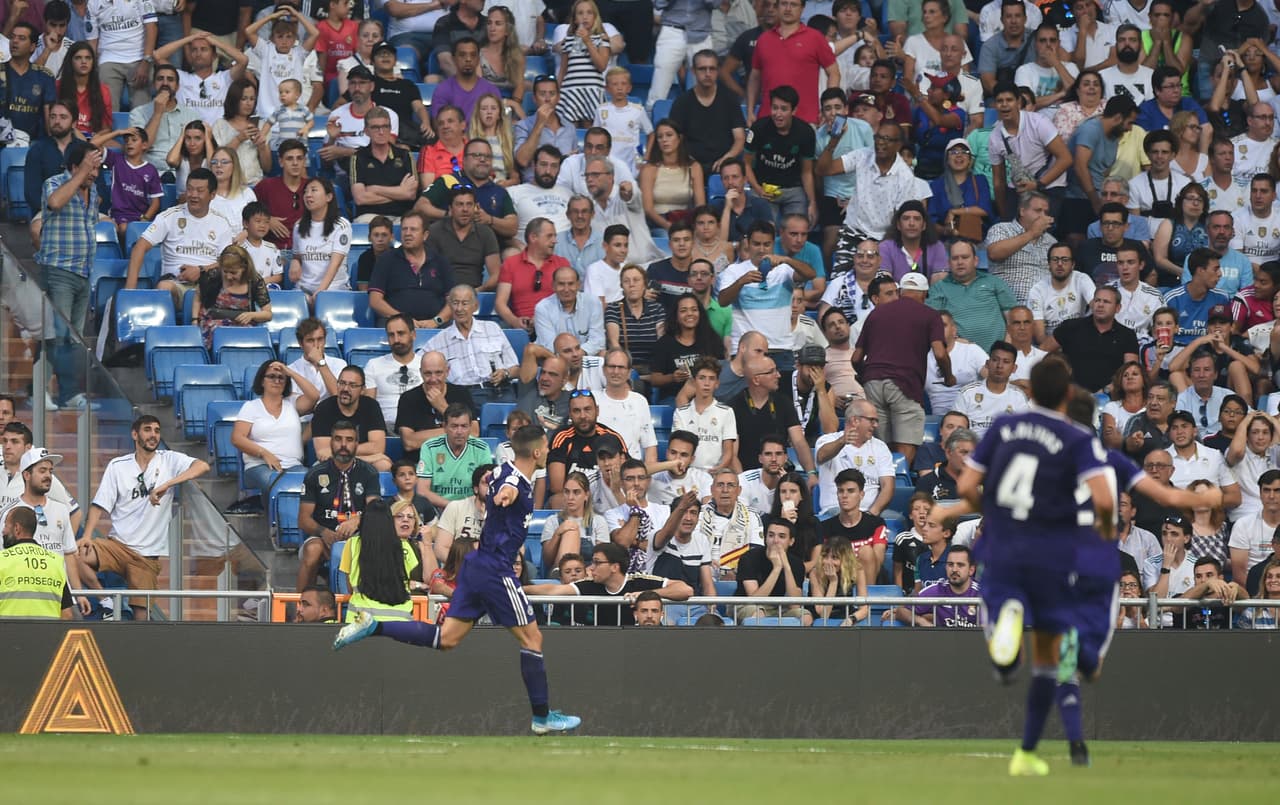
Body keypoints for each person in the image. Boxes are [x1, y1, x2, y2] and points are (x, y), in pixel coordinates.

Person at [335, 425, 583, 734]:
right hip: (495, 569)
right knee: (533, 639)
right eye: (545, 446)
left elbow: (502, 483)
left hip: (476, 565)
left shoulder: (504, 469)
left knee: (447, 639)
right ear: (536, 452)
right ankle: (542, 717)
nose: (548, 451)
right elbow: (508, 490)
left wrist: (502, 494)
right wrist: (505, 496)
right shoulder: (513, 481)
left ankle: (374, 625)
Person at [950, 357, 1115, 776]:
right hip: (1051, 556)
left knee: (1007, 654)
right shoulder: (1076, 438)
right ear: (1066, 394)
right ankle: (1026, 752)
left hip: (1002, 547)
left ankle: (1007, 632)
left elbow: (966, 484)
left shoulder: (1004, 427)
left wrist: (989, 507)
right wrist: (1104, 528)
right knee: (1047, 660)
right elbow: (1103, 499)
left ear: (1030, 390)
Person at [77, 416, 210, 620]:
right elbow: (98, 505)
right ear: (135, 434)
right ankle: (106, 602)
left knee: (142, 619)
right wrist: (87, 535)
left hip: (147, 555)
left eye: (157, 430)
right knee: (76, 555)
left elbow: (202, 466)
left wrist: (168, 484)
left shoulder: (169, 459)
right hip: (117, 546)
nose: (153, 435)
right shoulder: (118, 465)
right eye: (147, 430)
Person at [850, 272, 952, 463]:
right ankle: (896, 480)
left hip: (873, 383)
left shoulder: (876, 313)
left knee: (880, 447)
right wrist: (948, 377)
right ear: (924, 294)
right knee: (906, 444)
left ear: (901, 292)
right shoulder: (930, 315)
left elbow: (856, 358)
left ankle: (882, 478)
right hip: (905, 384)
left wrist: (866, 377)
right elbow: (940, 353)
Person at [295, 419, 381, 590]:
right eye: (338, 439)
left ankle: (361, 601)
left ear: (356, 444)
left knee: (374, 549)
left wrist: (357, 520)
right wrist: (323, 532)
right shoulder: (315, 474)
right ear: (331, 442)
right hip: (323, 538)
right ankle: (301, 603)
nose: (343, 445)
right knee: (313, 550)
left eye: (349, 440)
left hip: (359, 537)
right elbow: (303, 520)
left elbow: (375, 511)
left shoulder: (369, 473)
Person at [227, 360, 319, 513]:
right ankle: (277, 523)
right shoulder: (251, 407)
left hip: (293, 465)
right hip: (259, 466)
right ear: (262, 381)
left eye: (281, 377)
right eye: (271, 376)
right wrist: (264, 453)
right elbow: (237, 438)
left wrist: (290, 372)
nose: (277, 380)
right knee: (279, 484)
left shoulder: (292, 404)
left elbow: (314, 396)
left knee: (310, 485)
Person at [987, 81, 1072, 221]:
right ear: (995, 105)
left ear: (1018, 102)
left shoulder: (1039, 122)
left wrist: (1039, 184)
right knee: (1013, 230)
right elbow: (998, 181)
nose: (1004, 105)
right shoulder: (995, 136)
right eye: (1000, 101)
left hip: (1049, 185)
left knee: (1041, 228)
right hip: (1020, 187)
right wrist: (1004, 216)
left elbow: (1066, 158)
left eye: (1009, 100)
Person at [424, 284, 520, 408]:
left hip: (499, 390)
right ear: (450, 306)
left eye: (465, 303)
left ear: (475, 306)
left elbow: (516, 369)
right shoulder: (439, 340)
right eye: (455, 303)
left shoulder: (492, 328)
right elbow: (418, 364)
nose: (459, 308)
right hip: (462, 395)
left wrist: (505, 373)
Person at [669, 49, 746, 177]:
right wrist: (690, 162)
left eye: (712, 69)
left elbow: (740, 138)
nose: (708, 73)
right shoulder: (682, 102)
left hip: (724, 168)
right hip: (689, 166)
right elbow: (674, 140)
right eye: (702, 69)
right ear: (693, 71)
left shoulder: (730, 99)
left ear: (718, 71)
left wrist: (727, 158)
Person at [814, 398, 894, 516]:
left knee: (897, 519)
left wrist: (872, 514)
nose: (876, 425)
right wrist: (841, 441)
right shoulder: (828, 440)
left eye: (877, 421)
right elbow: (821, 456)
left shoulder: (880, 447)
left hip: (871, 512)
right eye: (872, 420)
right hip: (836, 510)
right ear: (855, 420)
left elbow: (888, 486)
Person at [245, 9, 321, 121]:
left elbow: (315, 33)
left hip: (293, 115)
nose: (284, 41)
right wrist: (271, 17)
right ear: (272, 38)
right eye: (280, 36)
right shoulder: (266, 50)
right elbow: (248, 31)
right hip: (266, 114)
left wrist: (297, 15)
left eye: (289, 37)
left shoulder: (299, 54)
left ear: (295, 39)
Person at [194, 244, 272, 351]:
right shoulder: (212, 276)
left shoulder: (254, 281)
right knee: (219, 333)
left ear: (244, 268)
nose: (229, 276)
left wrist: (252, 315)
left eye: (233, 272)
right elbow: (198, 297)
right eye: (225, 271)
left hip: (242, 323)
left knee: (247, 338)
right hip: (213, 321)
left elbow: (268, 314)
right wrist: (194, 320)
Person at [397, 351, 479, 452]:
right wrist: (456, 430)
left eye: (438, 373)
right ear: (421, 373)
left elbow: (474, 433)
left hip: (456, 456)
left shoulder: (461, 393)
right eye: (428, 373)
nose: (433, 379)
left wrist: (444, 408)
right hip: (419, 458)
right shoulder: (408, 398)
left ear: (447, 371)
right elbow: (409, 442)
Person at [0, 507, 72, 619]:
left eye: (6, 525)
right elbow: (67, 614)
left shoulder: (2, 560)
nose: (3, 531)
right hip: (48, 630)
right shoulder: (55, 561)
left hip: (8, 630)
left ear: (17, 528)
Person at [349, 107, 417, 223]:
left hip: (401, 217)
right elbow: (360, 198)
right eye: (375, 127)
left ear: (390, 129)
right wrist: (399, 192)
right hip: (370, 217)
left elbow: (410, 194)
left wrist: (375, 189)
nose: (381, 132)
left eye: (385, 126)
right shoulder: (358, 157)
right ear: (366, 131)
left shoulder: (405, 155)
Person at [640, 119, 706, 231]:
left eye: (669, 135)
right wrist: (670, 227)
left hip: (685, 221)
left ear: (679, 138)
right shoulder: (649, 169)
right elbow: (648, 209)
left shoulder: (694, 167)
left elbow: (700, 206)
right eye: (660, 137)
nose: (664, 140)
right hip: (658, 222)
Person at [1027, 244, 1095, 341]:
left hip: (1079, 340)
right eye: (1055, 259)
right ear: (1049, 264)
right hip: (1050, 344)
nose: (1059, 264)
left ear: (1073, 264)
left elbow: (1097, 306)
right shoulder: (1037, 290)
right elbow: (1040, 337)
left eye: (1065, 260)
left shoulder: (1081, 279)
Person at [1152, 183, 1211, 287]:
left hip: (1205, 281)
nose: (1195, 203)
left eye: (1200, 200)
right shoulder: (1168, 224)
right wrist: (1185, 274)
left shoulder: (1209, 225)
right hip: (1172, 281)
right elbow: (1159, 259)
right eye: (1191, 198)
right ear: (1181, 202)